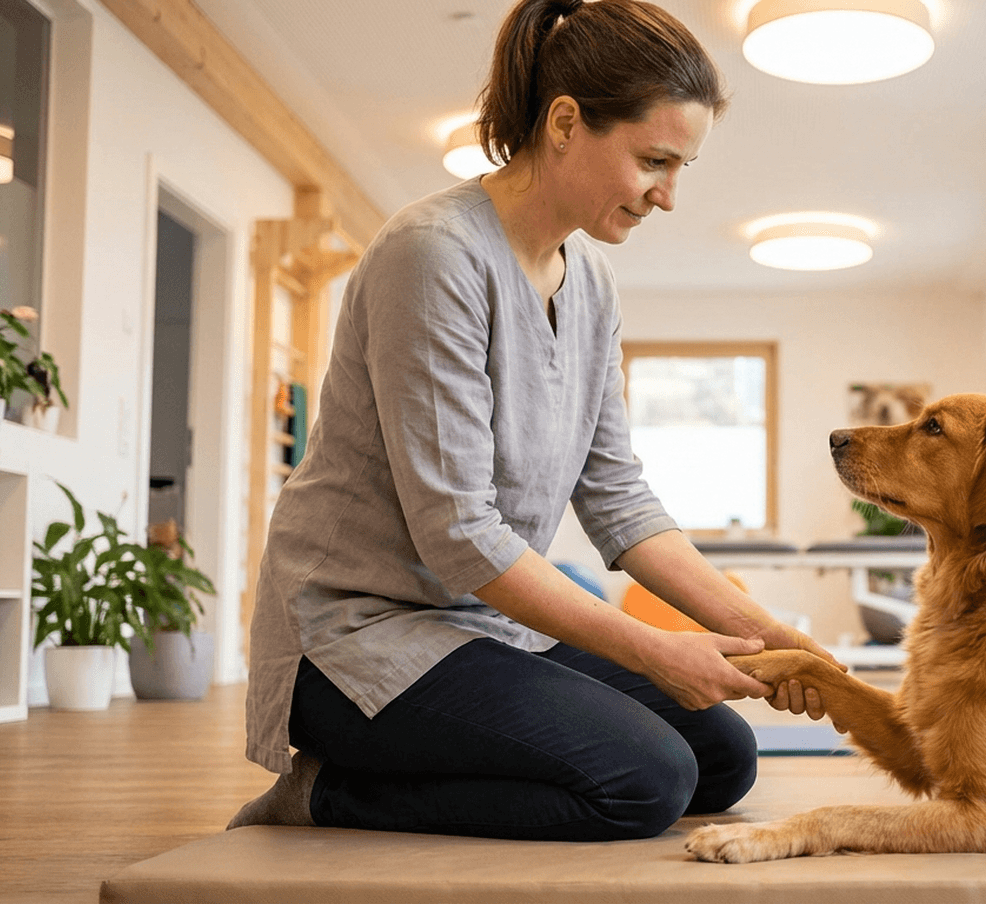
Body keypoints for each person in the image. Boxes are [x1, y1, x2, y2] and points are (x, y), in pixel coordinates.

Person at [229, 0, 840, 842]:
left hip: (484, 627)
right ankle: (329, 792)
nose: (668, 195)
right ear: (564, 122)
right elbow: (459, 534)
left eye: (682, 166)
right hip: (355, 638)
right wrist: (651, 648)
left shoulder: (589, 283)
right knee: (646, 781)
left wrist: (764, 632)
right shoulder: (433, 254)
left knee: (724, 757)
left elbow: (618, 499)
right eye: (654, 160)